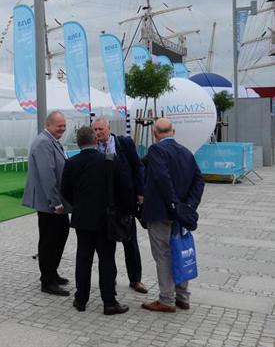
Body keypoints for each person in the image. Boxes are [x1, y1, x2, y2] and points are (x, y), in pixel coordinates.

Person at [62, 126, 132, 315]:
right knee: (107, 260)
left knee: (83, 259)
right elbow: (124, 188)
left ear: (78, 142)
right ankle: (109, 302)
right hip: (106, 219)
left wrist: (79, 204)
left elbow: (65, 191)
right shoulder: (109, 160)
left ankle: (81, 299)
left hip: (82, 219)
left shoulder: (71, 163)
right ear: (96, 140)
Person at [141, 118, 204, 313]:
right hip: (179, 214)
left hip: (161, 212)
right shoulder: (186, 152)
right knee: (180, 251)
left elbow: (162, 178)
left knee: (163, 255)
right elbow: (199, 181)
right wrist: (188, 206)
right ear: (173, 131)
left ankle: (166, 299)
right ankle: (183, 297)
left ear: (154, 134)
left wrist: (174, 204)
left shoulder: (156, 150)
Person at [92, 117, 148, 294]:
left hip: (125, 201)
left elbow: (138, 166)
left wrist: (140, 192)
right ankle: (110, 277)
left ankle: (135, 279)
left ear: (109, 128)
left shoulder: (123, 143)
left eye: (101, 129)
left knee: (130, 242)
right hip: (104, 203)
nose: (98, 133)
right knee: (106, 244)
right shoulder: (92, 147)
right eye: (95, 130)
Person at [22, 110, 70, 296]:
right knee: (50, 240)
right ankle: (47, 280)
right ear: (48, 125)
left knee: (60, 235)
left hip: (55, 202)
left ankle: (52, 273)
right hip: (49, 204)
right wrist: (56, 203)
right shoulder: (43, 143)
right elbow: (47, 175)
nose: (62, 129)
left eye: (64, 125)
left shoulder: (52, 141)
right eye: (59, 126)